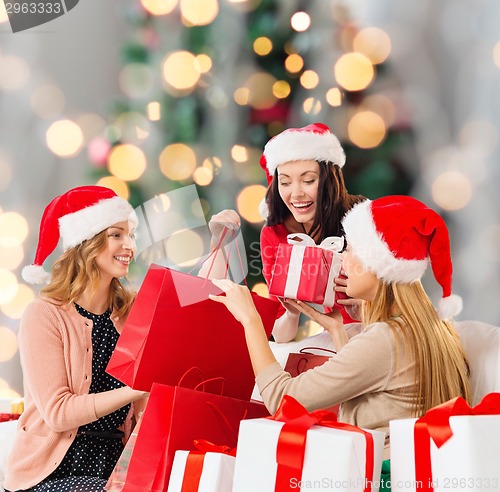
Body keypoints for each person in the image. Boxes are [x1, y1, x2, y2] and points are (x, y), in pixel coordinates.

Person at [209, 195, 471, 471]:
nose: (342, 258)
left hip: (375, 476)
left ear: (376, 264)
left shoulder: (385, 339)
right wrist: (336, 328)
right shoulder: (428, 327)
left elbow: (281, 399)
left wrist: (251, 320)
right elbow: (377, 380)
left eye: (352, 250)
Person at [4, 186, 148, 492]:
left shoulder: (132, 312)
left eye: (131, 234)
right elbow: (58, 412)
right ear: (88, 242)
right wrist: (133, 389)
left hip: (114, 468)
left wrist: (220, 242)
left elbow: (187, 307)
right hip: (50, 473)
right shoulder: (44, 316)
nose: (129, 245)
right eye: (116, 234)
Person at [208, 122, 365, 343]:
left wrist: (369, 306)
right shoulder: (275, 235)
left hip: (372, 338)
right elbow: (281, 335)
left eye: (308, 180)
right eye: (285, 182)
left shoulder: (362, 220)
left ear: (330, 180)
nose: (296, 194)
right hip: (327, 345)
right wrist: (291, 313)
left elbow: (404, 305)